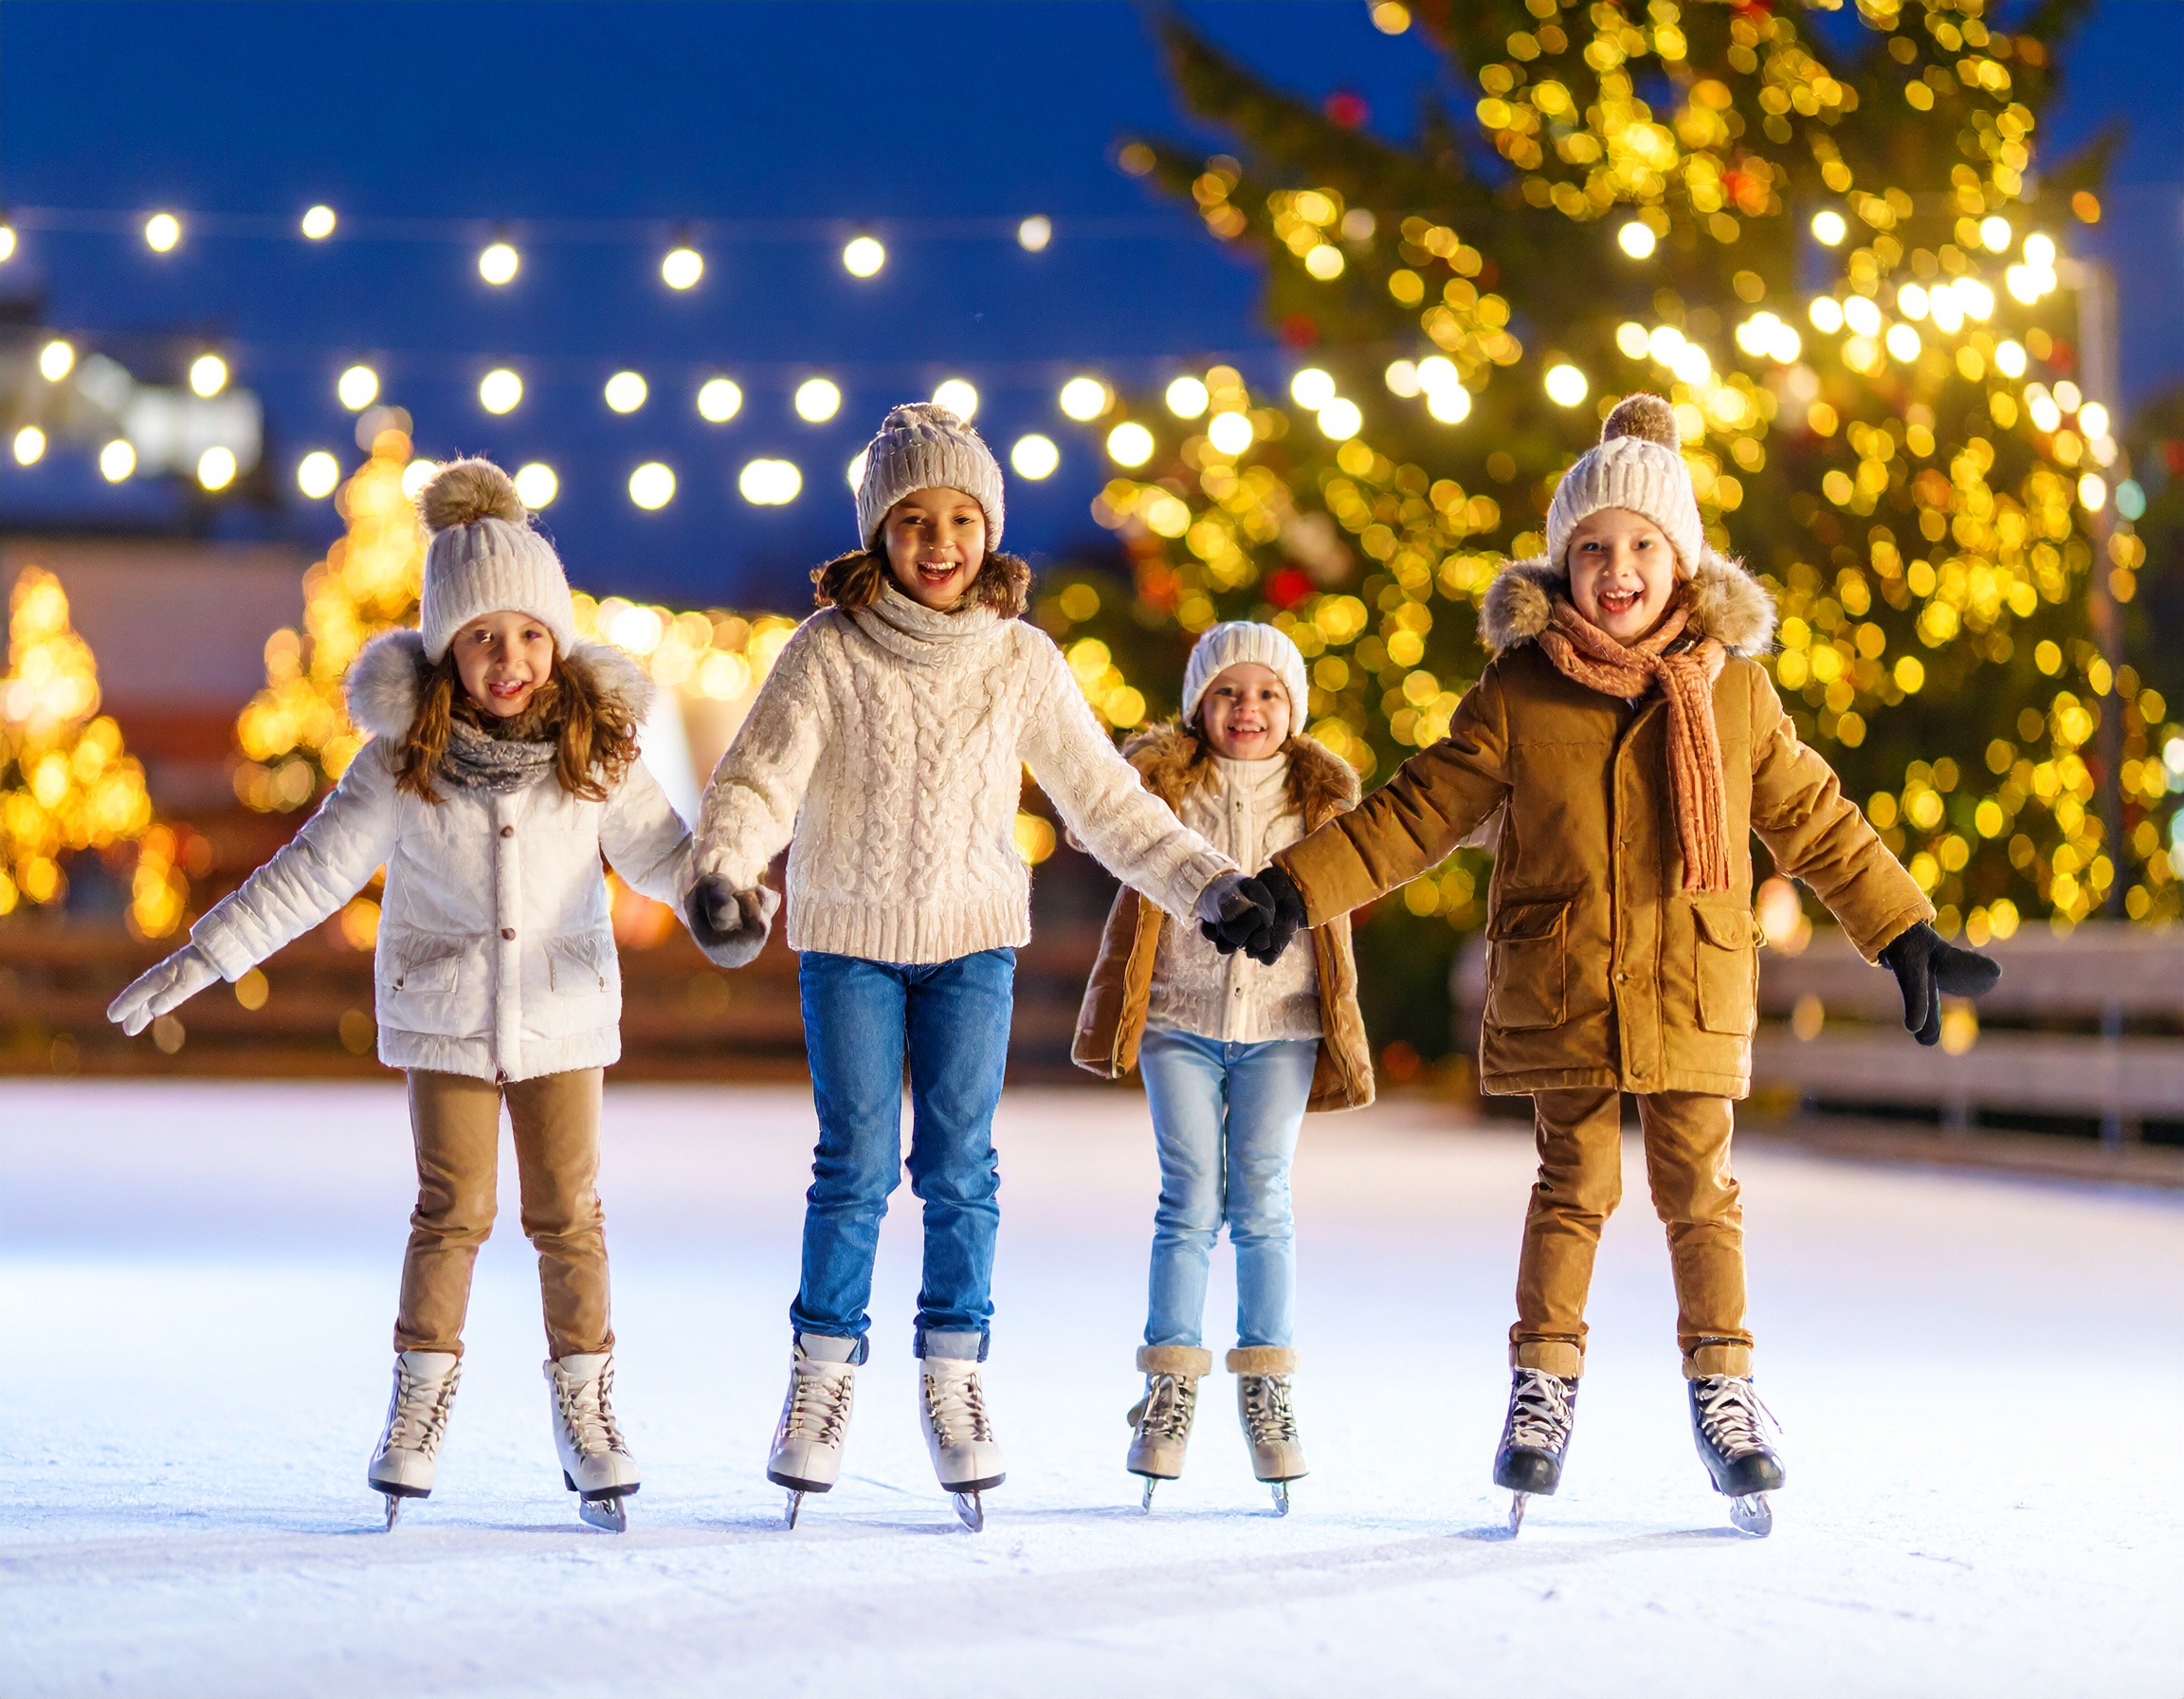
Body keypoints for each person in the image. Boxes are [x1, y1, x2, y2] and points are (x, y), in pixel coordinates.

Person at [1208, 396, 1999, 1536]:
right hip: (1566, 979)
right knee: (1571, 1187)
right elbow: (1418, 810)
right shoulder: (1522, 689)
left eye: (1640, 546)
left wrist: (1902, 929)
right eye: (1591, 548)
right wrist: (1294, 886)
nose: (1615, 569)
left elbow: (1816, 820)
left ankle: (1725, 1389)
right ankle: (1542, 1392)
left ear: (1681, 562)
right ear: (1560, 564)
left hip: (1689, 976)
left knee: (1698, 1191)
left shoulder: (1733, 690)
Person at [106, 460, 745, 1532]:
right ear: (448, 645)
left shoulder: (599, 748)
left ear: (559, 638)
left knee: (569, 1217)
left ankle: (588, 1417)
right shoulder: (402, 758)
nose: (511, 658)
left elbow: (665, 856)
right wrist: (201, 956)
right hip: (446, 1016)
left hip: (563, 1014)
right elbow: (308, 876)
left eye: (531, 634)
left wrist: (721, 903)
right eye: (485, 636)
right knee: (452, 1213)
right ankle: (415, 1413)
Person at [685, 403, 1265, 1529]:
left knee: (960, 1167)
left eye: (960, 517)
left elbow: (1106, 802)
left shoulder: (1021, 660)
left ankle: (954, 1375)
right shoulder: (826, 651)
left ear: (989, 531)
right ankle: (821, 1376)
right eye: (913, 519)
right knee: (853, 1163)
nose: (938, 541)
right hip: (849, 940)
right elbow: (757, 782)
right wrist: (726, 871)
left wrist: (1209, 883)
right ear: (878, 534)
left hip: (973, 949)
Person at [1073, 622, 1374, 1513]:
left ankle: (1267, 1384)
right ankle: (1169, 1386)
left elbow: (1356, 879)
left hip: (1283, 1026)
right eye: (1229, 694)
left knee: (1264, 1198)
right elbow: (1106, 839)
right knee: (1188, 1197)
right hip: (1180, 1020)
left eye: (1269, 694)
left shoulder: (1319, 799)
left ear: (1295, 709)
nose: (1249, 710)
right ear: (1199, 705)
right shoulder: (1164, 784)